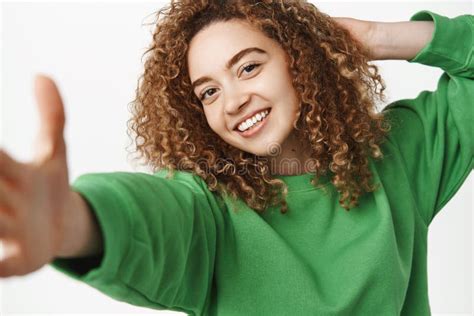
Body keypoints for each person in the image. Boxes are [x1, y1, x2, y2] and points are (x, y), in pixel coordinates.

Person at [0, 0, 472, 315]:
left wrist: (375, 37)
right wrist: (73, 219)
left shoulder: (397, 158)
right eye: (208, 92)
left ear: (298, 60)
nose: (232, 102)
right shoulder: (210, 210)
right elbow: (149, 216)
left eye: (248, 67)